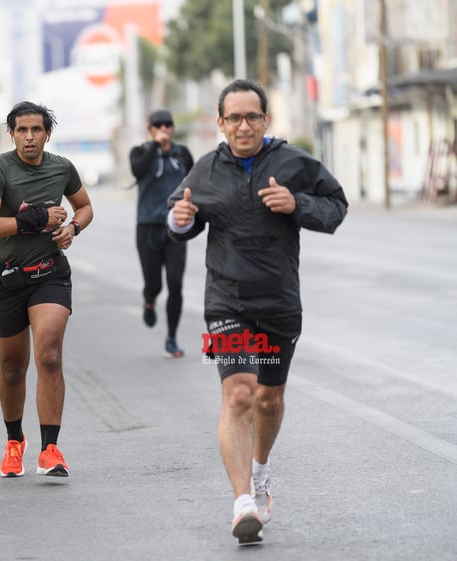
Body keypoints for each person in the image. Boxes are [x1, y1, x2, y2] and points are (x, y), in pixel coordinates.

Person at [167, 79, 348, 545]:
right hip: (225, 301)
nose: (243, 125)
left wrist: (297, 204)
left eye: (252, 116)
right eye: (234, 118)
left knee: (268, 399)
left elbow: (336, 205)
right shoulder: (206, 170)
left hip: (280, 302)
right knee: (239, 395)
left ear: (266, 120)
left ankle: (261, 472)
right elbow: (179, 215)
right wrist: (179, 221)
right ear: (220, 122)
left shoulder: (294, 163)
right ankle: (242, 501)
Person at [0, 101, 93, 479]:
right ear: (11, 134)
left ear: (47, 134)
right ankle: (14, 442)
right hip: (5, 279)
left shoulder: (62, 168)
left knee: (50, 355)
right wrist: (36, 219)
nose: (29, 137)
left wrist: (73, 228)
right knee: (12, 367)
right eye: (22, 130)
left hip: (49, 275)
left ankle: (50, 449)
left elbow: (85, 207)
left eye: (36, 130)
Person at [129, 108, 194, 358]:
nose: (164, 129)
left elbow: (195, 179)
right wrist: (155, 146)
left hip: (175, 227)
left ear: (173, 127)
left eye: (168, 124)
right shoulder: (140, 152)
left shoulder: (182, 153)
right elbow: (137, 171)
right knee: (154, 283)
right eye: (158, 125)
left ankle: (172, 338)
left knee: (176, 284)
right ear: (150, 130)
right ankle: (149, 298)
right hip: (147, 227)